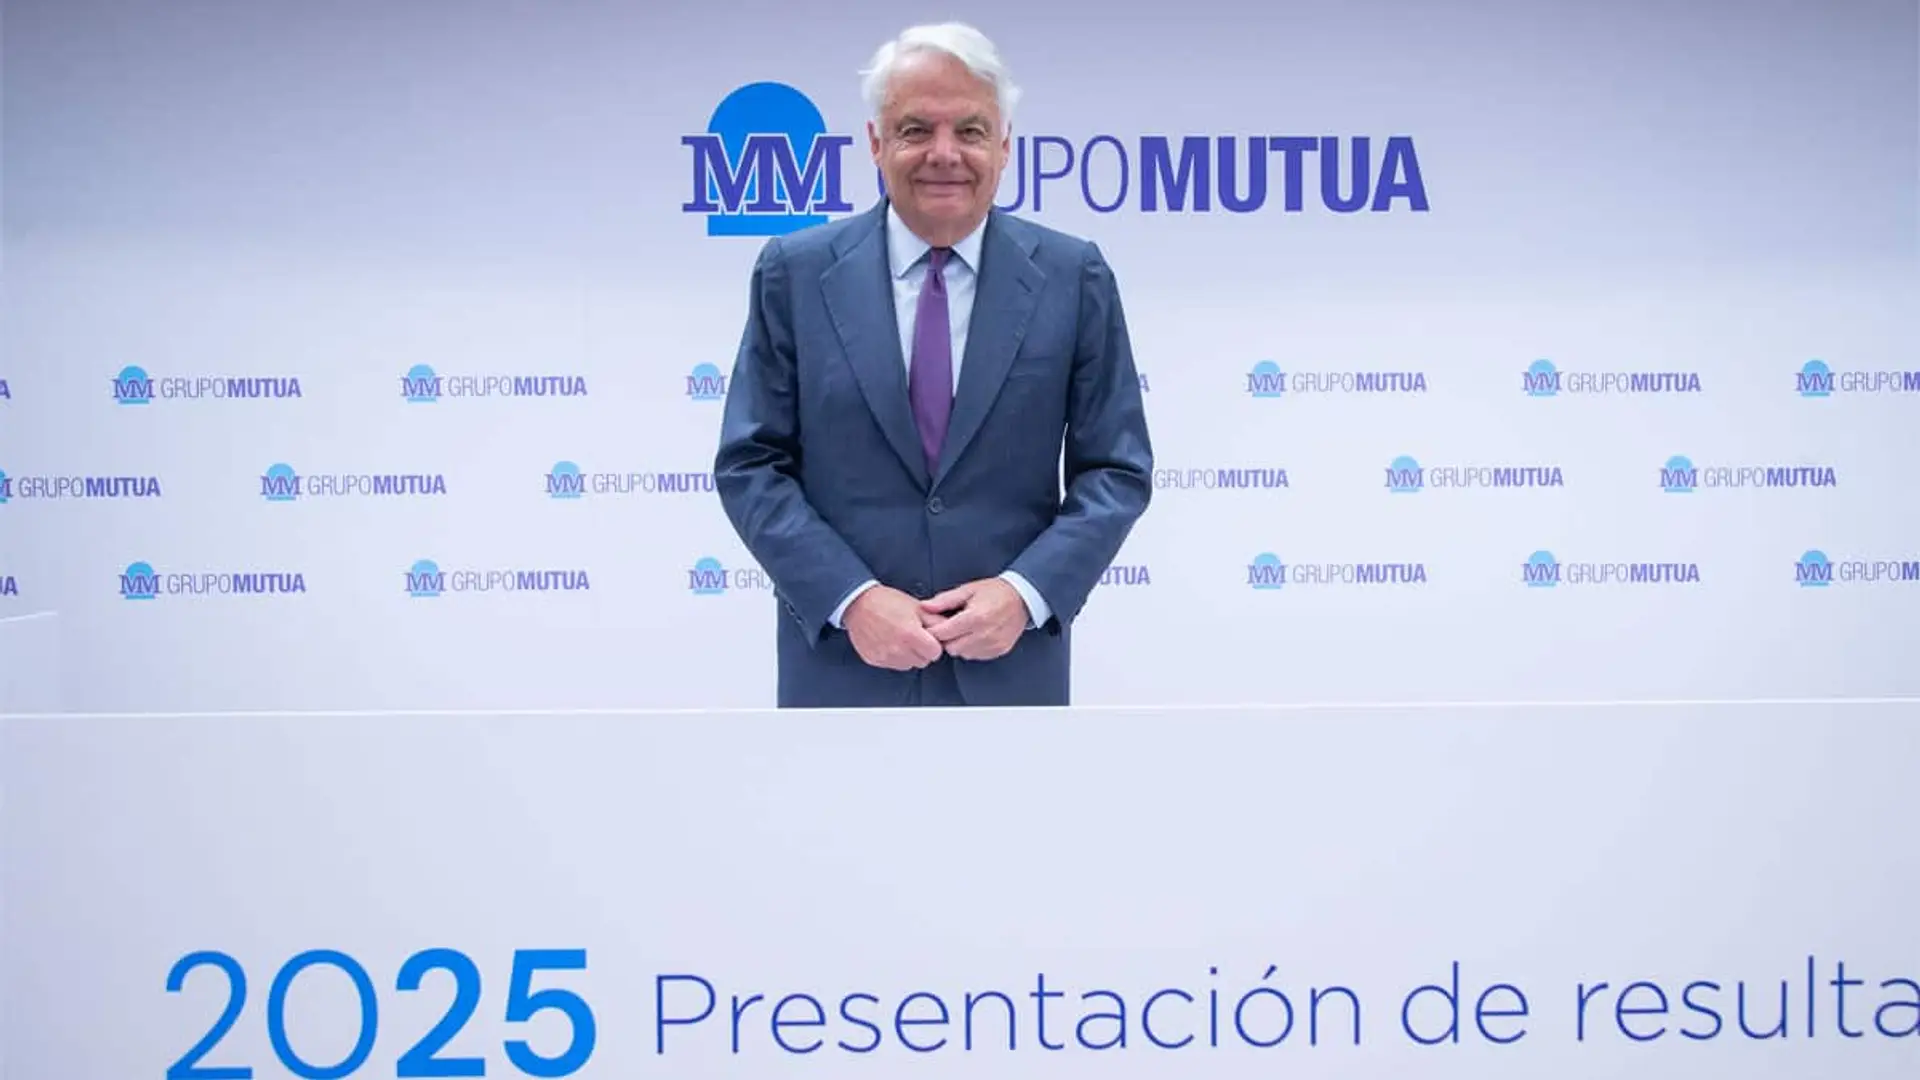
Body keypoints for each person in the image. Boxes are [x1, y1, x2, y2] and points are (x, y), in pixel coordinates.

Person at [713, 22, 1152, 708]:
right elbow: (750, 464)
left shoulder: (1075, 276)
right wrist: (850, 598)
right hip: (840, 678)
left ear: (1005, 147)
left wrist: (1024, 593)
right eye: (917, 129)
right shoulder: (793, 275)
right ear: (876, 144)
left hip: (1011, 680)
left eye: (971, 131)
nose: (944, 155)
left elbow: (1116, 471)